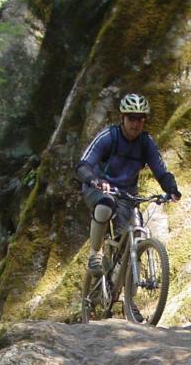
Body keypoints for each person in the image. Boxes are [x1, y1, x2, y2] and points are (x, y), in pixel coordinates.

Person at [76, 92, 181, 282]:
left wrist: (171, 189)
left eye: (140, 119)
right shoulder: (109, 137)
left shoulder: (146, 143)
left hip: (126, 195)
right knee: (105, 206)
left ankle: (124, 295)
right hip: (98, 188)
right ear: (122, 118)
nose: (136, 123)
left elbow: (161, 172)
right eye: (131, 118)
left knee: (129, 238)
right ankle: (95, 254)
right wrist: (94, 180)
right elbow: (83, 165)